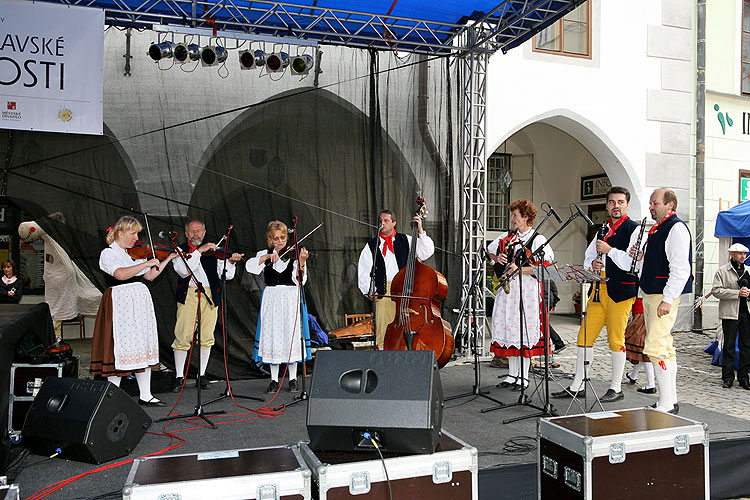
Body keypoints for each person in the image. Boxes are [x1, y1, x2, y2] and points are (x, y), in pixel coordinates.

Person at [552, 187, 640, 402]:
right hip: (598, 291)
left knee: (616, 339)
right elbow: (588, 255)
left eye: (620, 202)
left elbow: (633, 262)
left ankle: (616, 387)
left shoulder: (634, 229)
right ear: (607, 205)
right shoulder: (602, 229)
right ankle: (578, 384)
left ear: (627, 204)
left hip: (620, 291)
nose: (615, 206)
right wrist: (593, 263)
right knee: (584, 337)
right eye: (612, 202)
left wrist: (609, 251)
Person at [91, 216, 177, 406]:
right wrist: (146, 263)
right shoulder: (109, 253)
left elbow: (150, 275)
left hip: (138, 302)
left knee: (140, 345)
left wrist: (168, 259)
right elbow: (120, 274)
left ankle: (145, 395)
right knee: (119, 347)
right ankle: (112, 397)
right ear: (120, 233)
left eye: (137, 233)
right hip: (120, 302)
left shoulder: (133, 254)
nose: (136, 238)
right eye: (133, 233)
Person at [634, 188, 693, 414]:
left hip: (662, 295)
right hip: (652, 293)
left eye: (655, 203)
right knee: (664, 347)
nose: (651, 206)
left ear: (669, 205)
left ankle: (667, 402)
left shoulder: (676, 228)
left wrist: (668, 298)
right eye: (650, 203)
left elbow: (680, 268)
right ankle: (669, 400)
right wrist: (640, 259)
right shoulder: (658, 230)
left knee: (657, 346)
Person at [488, 200, 554, 390]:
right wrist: (497, 258)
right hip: (509, 290)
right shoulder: (508, 237)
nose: (512, 219)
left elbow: (546, 267)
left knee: (522, 332)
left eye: (516, 215)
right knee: (511, 330)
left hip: (527, 291)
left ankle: (523, 377)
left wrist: (521, 269)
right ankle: (512, 375)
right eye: (512, 215)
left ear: (526, 217)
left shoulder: (538, 240)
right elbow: (490, 250)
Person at [171, 220, 244, 391]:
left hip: (210, 294)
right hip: (188, 293)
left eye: (199, 231)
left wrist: (231, 262)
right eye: (192, 231)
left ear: (204, 233)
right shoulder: (180, 250)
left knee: (206, 336)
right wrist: (199, 252)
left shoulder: (213, 251)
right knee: (183, 335)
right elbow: (183, 270)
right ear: (187, 234)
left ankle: (202, 375)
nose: (196, 234)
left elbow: (225, 275)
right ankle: (179, 376)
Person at [246, 220, 310, 393]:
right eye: (276, 238)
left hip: (290, 297)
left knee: (291, 334)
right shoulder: (264, 254)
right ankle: (274, 380)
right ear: (270, 239)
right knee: (273, 335)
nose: (280, 241)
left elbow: (301, 281)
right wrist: (266, 257)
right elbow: (249, 266)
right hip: (272, 298)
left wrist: (302, 262)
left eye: (283, 237)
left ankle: (293, 378)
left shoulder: (294, 254)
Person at [357, 210, 435, 349]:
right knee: (384, 326)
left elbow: (426, 251)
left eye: (386, 220)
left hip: (406, 288)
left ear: (394, 223)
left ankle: (409, 351)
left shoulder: (406, 239)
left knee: (409, 322)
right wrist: (369, 290)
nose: (382, 223)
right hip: (383, 289)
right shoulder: (371, 245)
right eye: (381, 221)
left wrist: (421, 230)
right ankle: (383, 353)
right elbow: (364, 269)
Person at [710, 243, 750, 390]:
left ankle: (744, 378)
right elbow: (716, 290)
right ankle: (728, 377)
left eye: (745, 254)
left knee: (746, 346)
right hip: (730, 313)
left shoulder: (748, 271)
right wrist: (736, 294)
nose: (743, 256)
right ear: (732, 254)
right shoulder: (722, 271)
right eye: (740, 253)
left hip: (746, 313)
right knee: (729, 346)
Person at [624, 297, 657, 394]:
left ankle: (651, 384)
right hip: (645, 308)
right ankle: (633, 375)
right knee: (640, 348)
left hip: (642, 309)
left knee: (641, 347)